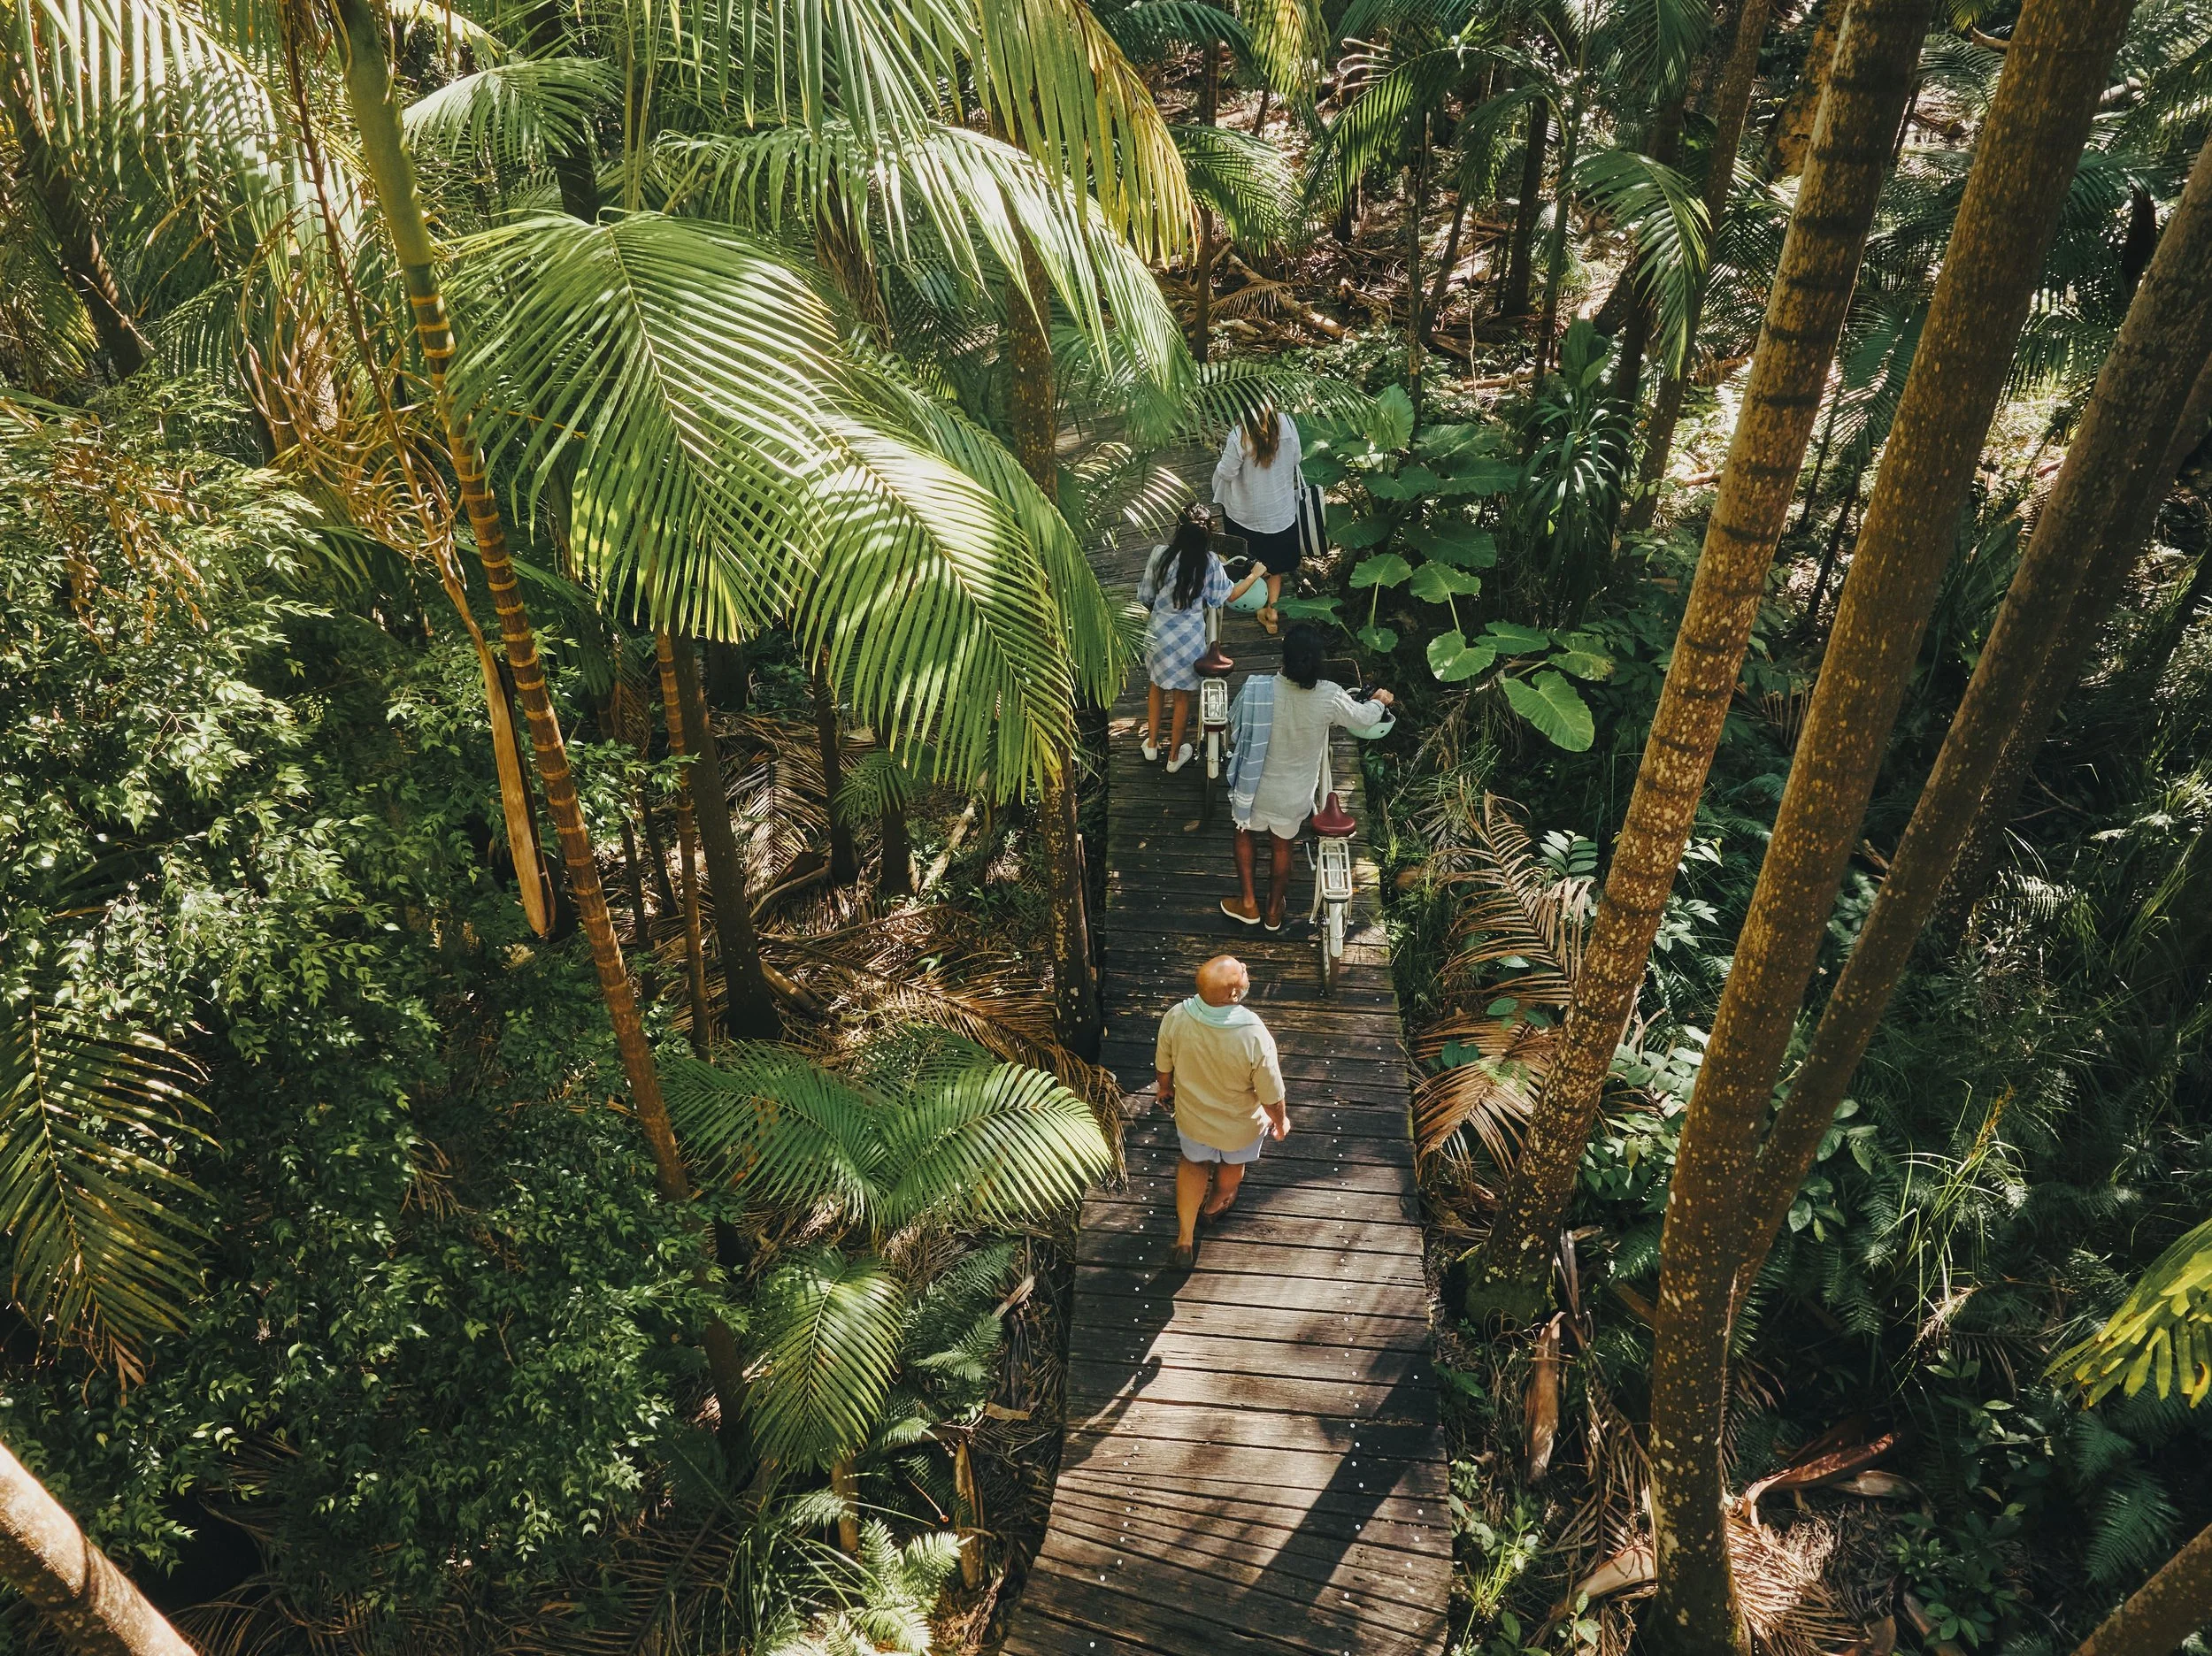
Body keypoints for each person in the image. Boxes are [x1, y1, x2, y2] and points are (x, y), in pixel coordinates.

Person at [1220, 624, 1394, 932]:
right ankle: (1274, 911)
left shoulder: (1255, 687)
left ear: (1284, 658)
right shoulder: (1328, 695)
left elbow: (1235, 726)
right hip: (1293, 796)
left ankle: (1248, 903)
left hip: (1254, 787)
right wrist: (1380, 700)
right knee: (1282, 846)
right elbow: (1365, 718)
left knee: (1244, 832)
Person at [1153, 954, 1287, 1269]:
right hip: (1239, 1126)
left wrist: (1165, 1088)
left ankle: (1185, 1238)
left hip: (1194, 1118)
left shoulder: (1177, 1017)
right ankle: (1214, 1207)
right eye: (1242, 971)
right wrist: (1280, 1121)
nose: (1246, 969)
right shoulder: (1254, 1034)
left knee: (1193, 1163)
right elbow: (1271, 1093)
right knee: (1231, 1166)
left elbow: (1163, 1064)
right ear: (1233, 995)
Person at [1134, 506, 1260, 770]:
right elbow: (1228, 596)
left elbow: (1146, 595)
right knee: (1182, 698)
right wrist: (1254, 575)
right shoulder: (1210, 561)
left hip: (1158, 634)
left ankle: (1152, 744)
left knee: (1156, 687)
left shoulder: (1160, 554)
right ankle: (1173, 757)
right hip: (1189, 640)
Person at [1211, 403, 1303, 635]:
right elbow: (1297, 458)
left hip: (1245, 514)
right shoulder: (1287, 425)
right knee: (1275, 564)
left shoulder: (1240, 436)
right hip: (1279, 512)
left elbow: (1226, 473)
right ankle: (1271, 610)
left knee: (1247, 561)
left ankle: (1248, 600)